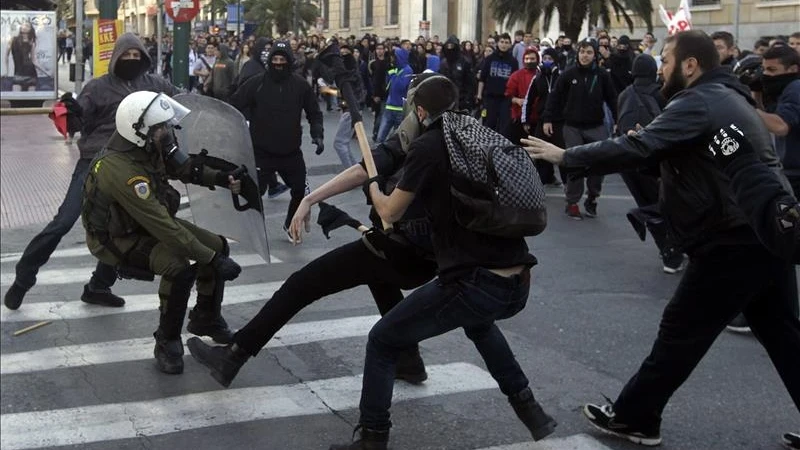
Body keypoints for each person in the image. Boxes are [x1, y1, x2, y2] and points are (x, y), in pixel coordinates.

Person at [523, 30, 800, 448]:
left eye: (667, 60)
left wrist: (568, 156)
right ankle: (637, 414)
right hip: (762, 231)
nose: (661, 68)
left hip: (731, 240)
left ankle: (636, 417)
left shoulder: (698, 101)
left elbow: (641, 146)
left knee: (681, 331)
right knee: (784, 336)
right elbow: (706, 158)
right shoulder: (731, 98)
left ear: (691, 65)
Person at [328, 75, 556, 450]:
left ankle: (372, 438)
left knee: (383, 340)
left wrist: (372, 181)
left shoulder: (429, 146)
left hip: (474, 283)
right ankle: (530, 409)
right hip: (516, 280)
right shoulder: (475, 134)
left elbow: (388, 213)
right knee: (479, 327)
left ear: (419, 110)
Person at [4, 32, 177, 311]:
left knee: (124, 227)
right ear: (116, 57)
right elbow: (76, 120)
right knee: (63, 222)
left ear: (144, 58)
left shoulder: (154, 85)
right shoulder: (97, 88)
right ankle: (23, 279)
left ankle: (98, 286)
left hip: (134, 166)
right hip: (96, 163)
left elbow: (182, 104)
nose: (131, 60)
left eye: (137, 56)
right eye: (126, 55)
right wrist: (72, 111)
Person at [82, 91, 243, 374]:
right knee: (178, 267)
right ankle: (167, 341)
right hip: (116, 238)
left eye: (166, 125)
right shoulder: (120, 170)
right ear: (140, 130)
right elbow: (163, 226)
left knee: (218, 246)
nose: (166, 132)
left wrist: (220, 178)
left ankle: (206, 316)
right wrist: (211, 259)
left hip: (144, 222)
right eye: (160, 127)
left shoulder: (147, 146)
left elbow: (183, 168)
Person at [230, 41, 324, 242]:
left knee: (300, 190)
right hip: (261, 152)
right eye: (275, 59)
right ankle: (252, 230)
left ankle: (291, 225)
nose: (278, 63)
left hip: (290, 152)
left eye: (282, 60)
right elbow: (234, 104)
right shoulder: (256, 83)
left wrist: (318, 134)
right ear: (269, 61)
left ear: (289, 61)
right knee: (254, 193)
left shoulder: (300, 85)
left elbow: (314, 112)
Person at [616, 53, 684, 274]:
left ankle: (667, 251)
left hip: (628, 159)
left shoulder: (625, 94)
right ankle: (675, 249)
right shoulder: (663, 93)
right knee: (668, 204)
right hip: (657, 159)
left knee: (648, 203)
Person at [541, 39, 617, 220]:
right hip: (572, 127)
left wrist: (618, 119)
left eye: (589, 52)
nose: (585, 55)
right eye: (582, 52)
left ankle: (592, 198)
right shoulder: (568, 74)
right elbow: (555, 98)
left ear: (595, 55)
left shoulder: (602, 75)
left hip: (596, 127)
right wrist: (547, 119)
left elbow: (613, 99)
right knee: (573, 164)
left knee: (598, 165)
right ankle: (572, 202)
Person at [524, 47, 564, 186]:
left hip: (559, 120)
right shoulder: (537, 77)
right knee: (540, 149)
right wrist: (526, 120)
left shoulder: (562, 76)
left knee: (561, 150)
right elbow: (529, 99)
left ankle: (567, 182)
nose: (547, 61)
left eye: (550, 59)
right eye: (545, 58)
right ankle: (543, 178)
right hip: (542, 119)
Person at [477, 33, 518, 133]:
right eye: (502, 42)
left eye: (506, 42)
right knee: (489, 124)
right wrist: (479, 95)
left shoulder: (513, 61)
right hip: (490, 97)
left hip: (506, 99)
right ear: (497, 43)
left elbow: (516, 81)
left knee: (505, 126)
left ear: (510, 44)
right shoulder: (490, 59)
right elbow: (482, 78)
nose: (504, 45)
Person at [375, 47, 413, 143]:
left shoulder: (408, 70)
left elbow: (399, 86)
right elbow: (387, 83)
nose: (392, 60)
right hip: (389, 108)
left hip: (400, 109)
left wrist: (393, 75)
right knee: (380, 138)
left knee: (395, 141)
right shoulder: (396, 69)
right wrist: (392, 74)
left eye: (394, 57)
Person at [439, 35, 475, 112]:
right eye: (447, 46)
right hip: (446, 99)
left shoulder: (464, 62)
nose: (449, 48)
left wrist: (467, 99)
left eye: (452, 46)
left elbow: (470, 82)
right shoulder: (443, 63)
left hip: (461, 99)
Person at [4, 22, 40, 92]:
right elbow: (6, 55)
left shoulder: (31, 42)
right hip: (18, 74)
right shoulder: (13, 40)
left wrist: (47, 73)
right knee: (15, 97)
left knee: (31, 98)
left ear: (30, 29)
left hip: (31, 74)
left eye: (27, 25)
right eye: (23, 25)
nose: (24, 26)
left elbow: (34, 60)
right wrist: (6, 71)